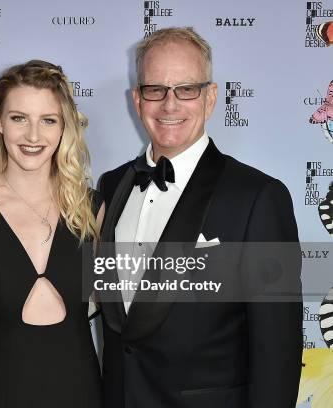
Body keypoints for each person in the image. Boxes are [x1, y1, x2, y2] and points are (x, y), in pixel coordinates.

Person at [98, 27, 303, 408]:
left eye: (186, 89)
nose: (169, 105)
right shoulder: (112, 186)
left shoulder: (258, 197)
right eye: (156, 89)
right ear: (137, 99)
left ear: (210, 98)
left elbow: (278, 351)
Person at [0, 60, 104, 408]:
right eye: (18, 118)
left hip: (80, 390)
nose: (32, 136)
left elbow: (147, 301)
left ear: (63, 128)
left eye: (48, 120)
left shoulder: (94, 210)